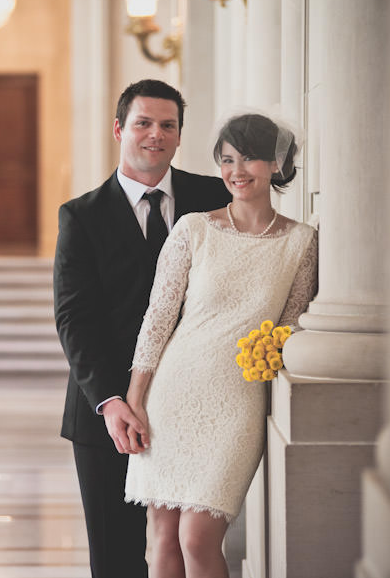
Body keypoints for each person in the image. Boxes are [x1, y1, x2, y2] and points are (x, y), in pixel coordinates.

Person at [122, 112, 319, 578]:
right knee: (162, 535)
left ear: (277, 163)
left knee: (197, 537)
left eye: (249, 158)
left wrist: (276, 349)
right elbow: (158, 318)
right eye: (227, 160)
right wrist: (136, 398)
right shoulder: (193, 229)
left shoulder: (301, 242)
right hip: (172, 392)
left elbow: (290, 326)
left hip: (237, 402)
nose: (236, 170)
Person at [53, 79, 232, 578]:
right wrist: (112, 403)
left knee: (186, 548)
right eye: (144, 123)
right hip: (107, 415)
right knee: (115, 559)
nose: (156, 134)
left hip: (194, 406)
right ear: (119, 129)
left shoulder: (215, 197)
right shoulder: (81, 216)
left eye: (168, 125)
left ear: (179, 136)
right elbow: (74, 319)